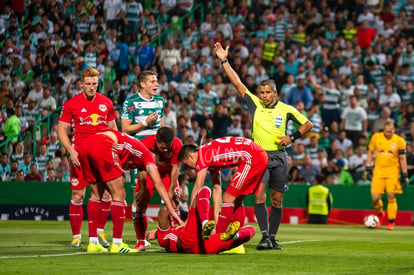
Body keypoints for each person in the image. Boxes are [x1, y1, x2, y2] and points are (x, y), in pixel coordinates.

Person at [214, 42, 313, 250]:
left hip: (280, 157)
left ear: (274, 93)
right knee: (259, 196)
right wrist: (224, 60)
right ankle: (265, 236)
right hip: (259, 157)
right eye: (261, 93)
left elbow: (308, 124)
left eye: (267, 93)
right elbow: (237, 82)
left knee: (277, 200)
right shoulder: (255, 104)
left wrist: (292, 138)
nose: (264, 96)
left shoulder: (286, 109)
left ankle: (273, 238)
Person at [77, 129, 182, 253]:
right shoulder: (147, 155)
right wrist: (173, 212)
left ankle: (92, 242)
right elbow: (158, 184)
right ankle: (117, 243)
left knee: (95, 195)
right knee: (120, 194)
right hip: (104, 144)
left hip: (85, 145)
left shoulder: (136, 152)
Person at [57, 67, 117, 248]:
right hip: (79, 155)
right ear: (81, 84)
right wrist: (71, 151)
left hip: (102, 154)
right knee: (78, 195)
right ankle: (76, 236)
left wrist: (115, 151)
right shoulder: (71, 104)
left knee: (105, 194)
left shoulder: (107, 103)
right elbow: (61, 130)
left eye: (94, 84)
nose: (92, 87)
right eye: (88, 84)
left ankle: (100, 233)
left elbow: (113, 129)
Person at [178, 136, 268, 242]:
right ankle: (237, 241)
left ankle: (219, 238)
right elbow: (217, 187)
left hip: (252, 157)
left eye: (186, 164)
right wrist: (216, 219)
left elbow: (197, 187)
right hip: (258, 154)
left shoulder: (202, 156)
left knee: (228, 198)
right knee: (237, 200)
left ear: (190, 156)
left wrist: (188, 220)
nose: (188, 168)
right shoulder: (209, 156)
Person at [146, 186, 255, 254]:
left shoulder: (164, 234)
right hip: (191, 241)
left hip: (205, 245)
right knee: (204, 190)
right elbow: (164, 210)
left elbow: (164, 212)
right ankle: (206, 225)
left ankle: (231, 235)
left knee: (251, 229)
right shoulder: (163, 236)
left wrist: (157, 231)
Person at [121, 70, 165, 219]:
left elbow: (162, 127)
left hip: (157, 150)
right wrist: (145, 122)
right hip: (138, 150)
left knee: (166, 187)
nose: (156, 84)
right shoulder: (130, 102)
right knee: (140, 191)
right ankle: (137, 218)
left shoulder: (160, 101)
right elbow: (125, 129)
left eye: (156, 81)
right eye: (152, 81)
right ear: (142, 84)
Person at [133, 126, 183, 251]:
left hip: (167, 175)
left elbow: (175, 169)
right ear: (156, 140)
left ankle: (174, 238)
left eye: (168, 146)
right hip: (149, 174)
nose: (165, 149)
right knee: (141, 204)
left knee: (173, 203)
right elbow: (143, 170)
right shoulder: (145, 143)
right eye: (162, 147)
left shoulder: (178, 144)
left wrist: (171, 191)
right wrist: (143, 190)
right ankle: (141, 242)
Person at [365, 121, 408, 231]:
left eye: (390, 131)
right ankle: (380, 213)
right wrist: (368, 166)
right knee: (375, 198)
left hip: (392, 172)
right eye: (386, 131)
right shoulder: (376, 137)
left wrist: (404, 174)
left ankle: (391, 222)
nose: (388, 133)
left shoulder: (399, 141)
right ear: (383, 130)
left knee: (391, 196)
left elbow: (402, 158)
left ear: (394, 130)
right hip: (378, 172)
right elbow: (370, 152)